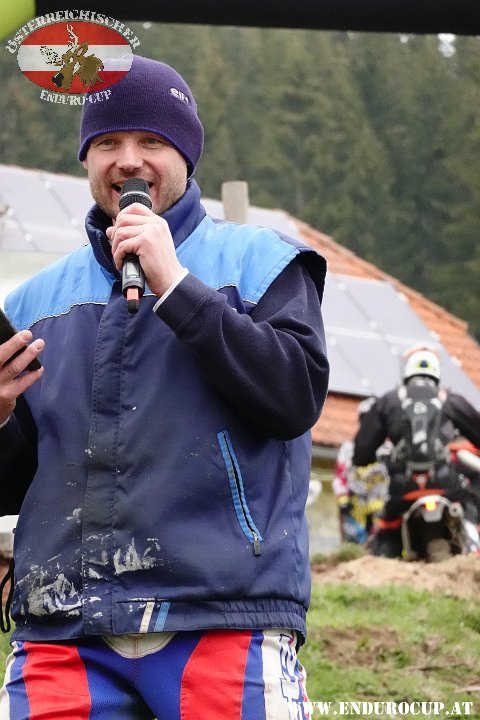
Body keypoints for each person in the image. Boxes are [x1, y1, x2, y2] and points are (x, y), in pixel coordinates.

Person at [0, 55, 329, 718]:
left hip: (223, 616)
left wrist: (176, 285)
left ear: (186, 155)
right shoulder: (32, 303)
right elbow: (12, 486)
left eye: (151, 140)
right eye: (108, 143)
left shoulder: (262, 261)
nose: (129, 160)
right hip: (63, 631)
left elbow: (294, 397)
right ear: (87, 160)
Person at [353, 345, 480, 558]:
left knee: (387, 532)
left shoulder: (388, 401)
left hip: (403, 488)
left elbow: (361, 453)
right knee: (470, 503)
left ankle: (383, 567)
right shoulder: (450, 400)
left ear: (405, 370)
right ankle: (472, 541)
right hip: (445, 484)